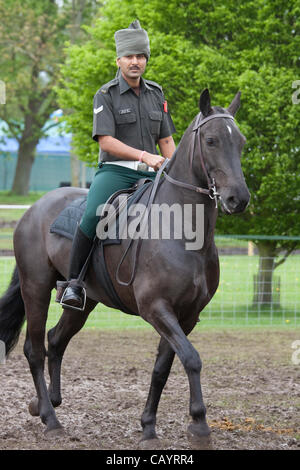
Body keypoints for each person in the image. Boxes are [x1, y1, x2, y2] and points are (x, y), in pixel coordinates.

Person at [59, 19, 176, 311]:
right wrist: (143, 156)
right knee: (91, 216)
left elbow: (166, 141)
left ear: (146, 60)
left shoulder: (157, 94)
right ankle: (73, 285)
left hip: (152, 176)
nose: (135, 62)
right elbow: (106, 142)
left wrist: (174, 170)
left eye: (141, 56)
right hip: (115, 171)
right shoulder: (106, 94)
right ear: (119, 60)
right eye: (130, 57)